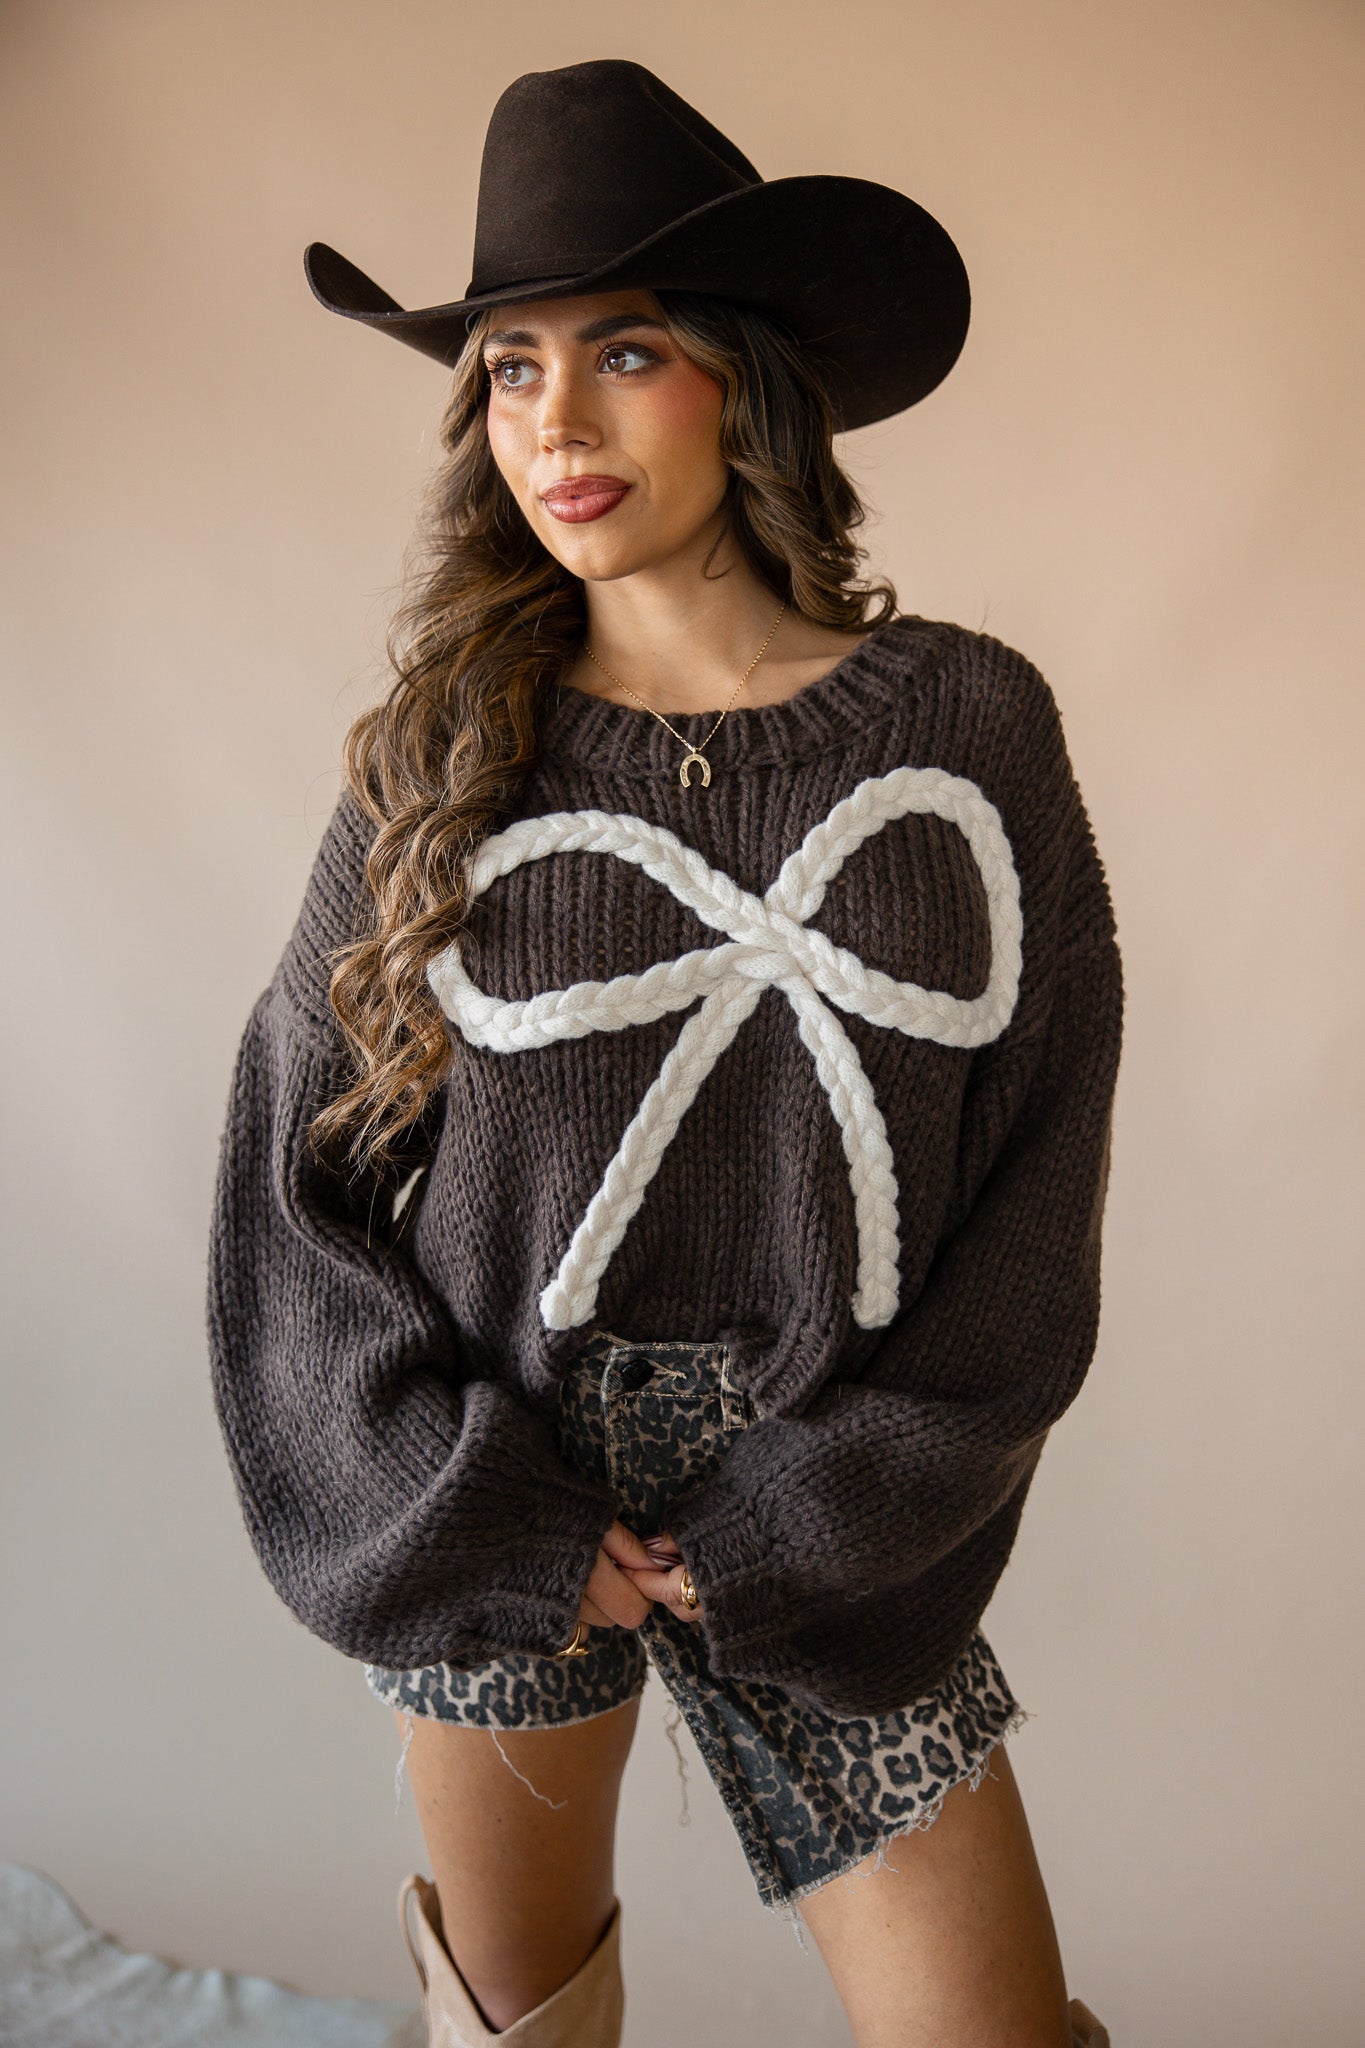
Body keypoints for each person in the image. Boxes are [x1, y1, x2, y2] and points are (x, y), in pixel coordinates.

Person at [207, 58, 1123, 2048]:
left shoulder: (961, 740)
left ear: (743, 377)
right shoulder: (435, 764)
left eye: (620, 351)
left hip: (826, 1491)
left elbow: (1035, 1179)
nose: (556, 421)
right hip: (503, 1479)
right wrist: (496, 1520)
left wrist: (817, 1510)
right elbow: (297, 1192)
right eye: (511, 369)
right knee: (515, 2023)